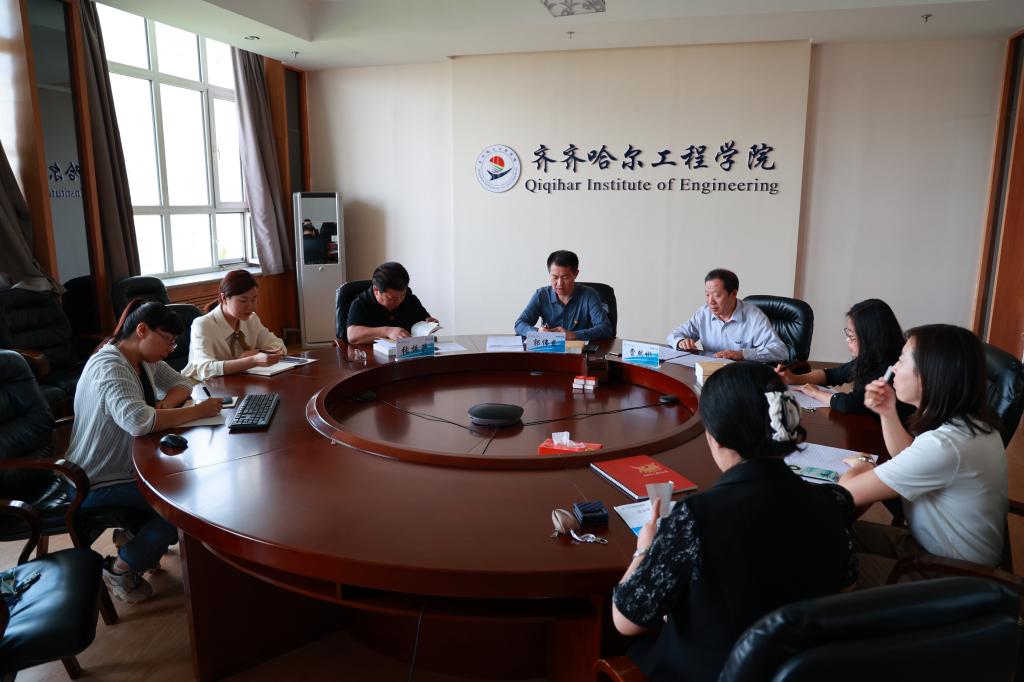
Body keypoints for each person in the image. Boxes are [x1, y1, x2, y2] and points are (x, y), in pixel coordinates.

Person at [612, 362, 857, 681]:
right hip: (798, 670)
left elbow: (627, 620)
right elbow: (846, 585)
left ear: (713, 437)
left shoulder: (695, 517)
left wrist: (644, 549)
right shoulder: (834, 502)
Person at [65, 300, 224, 603]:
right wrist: (197, 411)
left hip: (127, 467)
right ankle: (120, 568)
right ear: (142, 330)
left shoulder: (143, 359)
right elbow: (138, 421)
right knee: (182, 511)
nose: (171, 349)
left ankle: (134, 537)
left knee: (187, 488)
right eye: (168, 340)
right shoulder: (110, 365)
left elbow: (182, 382)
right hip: (94, 480)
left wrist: (165, 405)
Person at [839, 324, 1007, 587]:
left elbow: (846, 493)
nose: (894, 367)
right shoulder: (969, 423)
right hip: (929, 548)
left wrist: (863, 463)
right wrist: (887, 411)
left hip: (952, 577)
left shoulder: (945, 445)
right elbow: (907, 454)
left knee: (829, 561)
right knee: (835, 536)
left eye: (902, 359)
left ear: (930, 375)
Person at [777, 298, 911, 416]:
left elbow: (852, 404)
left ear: (871, 339)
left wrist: (816, 393)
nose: (847, 340)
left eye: (852, 336)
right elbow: (832, 375)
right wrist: (793, 378)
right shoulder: (871, 357)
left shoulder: (890, 367)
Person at [182, 269, 286, 381]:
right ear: (224, 298)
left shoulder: (252, 319)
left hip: (238, 383)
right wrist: (253, 360)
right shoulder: (203, 325)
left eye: (253, 299)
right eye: (243, 301)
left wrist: (257, 352)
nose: (250, 307)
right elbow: (205, 369)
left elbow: (279, 346)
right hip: (202, 386)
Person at [666, 268, 786, 361]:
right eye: (707, 295)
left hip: (741, 375)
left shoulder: (754, 317)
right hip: (711, 373)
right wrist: (680, 341)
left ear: (733, 294)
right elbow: (673, 335)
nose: (710, 302)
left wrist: (742, 354)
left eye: (717, 296)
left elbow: (780, 351)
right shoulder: (704, 313)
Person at [513, 250, 613, 341]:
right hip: (549, 350)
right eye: (555, 277)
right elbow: (519, 324)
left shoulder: (589, 295)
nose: (559, 284)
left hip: (580, 352)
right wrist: (537, 332)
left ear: (576, 274)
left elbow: (606, 328)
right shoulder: (541, 295)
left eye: (565, 277)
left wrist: (573, 335)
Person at [346, 262, 438, 344]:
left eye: (402, 295)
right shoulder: (360, 304)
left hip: (408, 354)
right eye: (392, 298)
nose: (399, 301)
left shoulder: (410, 299)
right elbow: (352, 336)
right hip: (372, 355)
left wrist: (430, 326)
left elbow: (424, 321)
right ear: (376, 290)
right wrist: (387, 331)